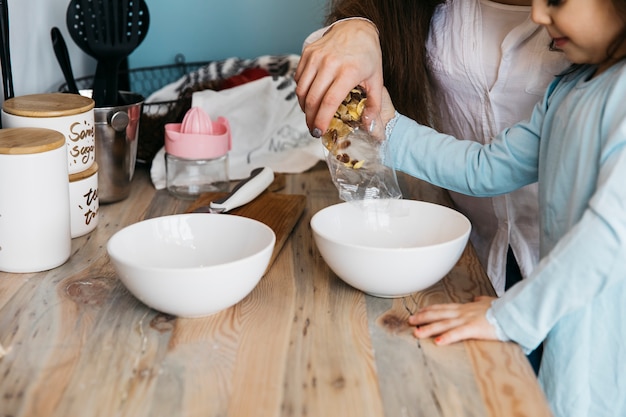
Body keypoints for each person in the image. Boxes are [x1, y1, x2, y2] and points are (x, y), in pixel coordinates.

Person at [373, 0, 626, 415]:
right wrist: (388, 127)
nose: (539, 15)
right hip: (563, 321)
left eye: (557, 1)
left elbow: (608, 238)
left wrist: (509, 316)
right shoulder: (569, 88)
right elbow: (486, 167)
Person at [295, 0, 569, 373]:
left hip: (567, 292)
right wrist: (355, 28)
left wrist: (519, 312)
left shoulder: (589, 91)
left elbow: (602, 245)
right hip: (473, 264)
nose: (539, 15)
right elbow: (484, 168)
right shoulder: (562, 99)